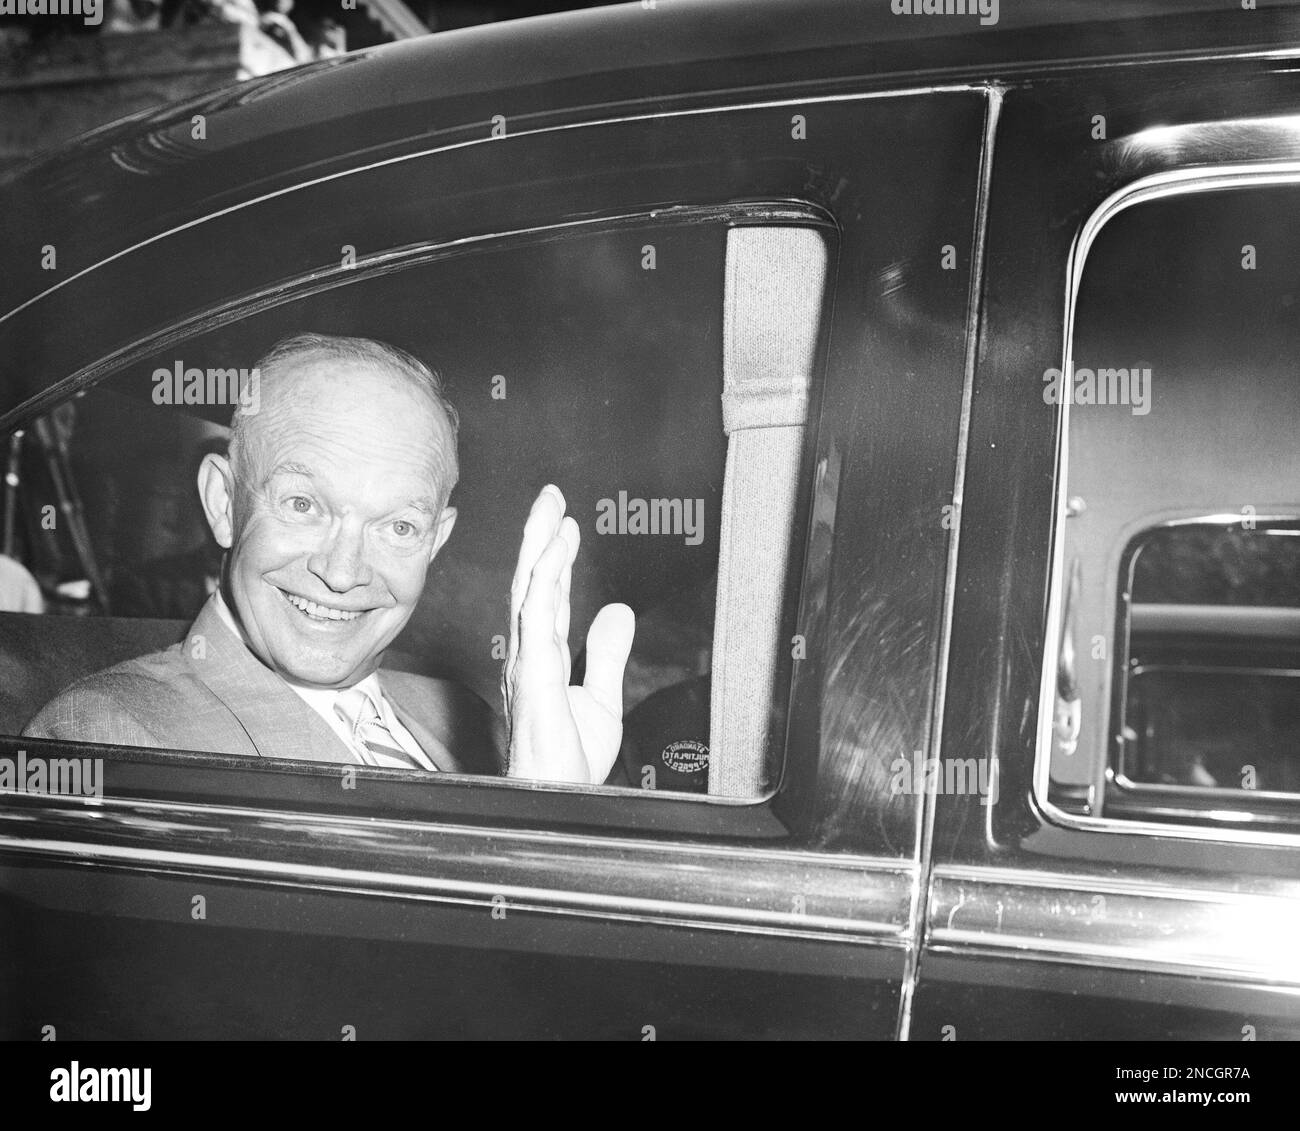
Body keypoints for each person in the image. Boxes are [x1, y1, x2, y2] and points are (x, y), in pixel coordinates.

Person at [24, 334, 635, 785]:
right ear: (222, 501)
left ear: (436, 540)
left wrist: (567, 807)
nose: (342, 573)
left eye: (398, 525)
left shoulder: (476, 725)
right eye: (303, 504)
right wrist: (535, 824)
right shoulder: (108, 738)